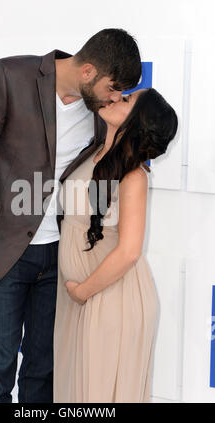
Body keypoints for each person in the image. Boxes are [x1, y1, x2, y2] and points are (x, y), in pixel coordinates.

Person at [0, 28, 142, 403]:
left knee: (44, 373)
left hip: (60, 259)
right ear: (87, 72)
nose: (115, 98)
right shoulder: (8, 77)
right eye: (112, 87)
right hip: (4, 253)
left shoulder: (100, 113)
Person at [53, 87, 178, 403]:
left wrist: (83, 292)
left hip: (108, 299)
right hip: (76, 298)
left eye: (126, 100)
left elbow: (130, 250)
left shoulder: (134, 176)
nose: (115, 97)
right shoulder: (92, 154)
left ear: (139, 121)